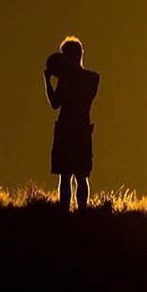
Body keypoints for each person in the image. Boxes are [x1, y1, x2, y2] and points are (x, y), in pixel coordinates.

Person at [44, 36, 100, 212]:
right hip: (82, 129)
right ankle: (82, 212)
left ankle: (65, 213)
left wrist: (48, 80)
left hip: (67, 129)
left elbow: (54, 103)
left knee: (66, 176)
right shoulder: (92, 78)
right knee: (81, 175)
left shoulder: (68, 80)